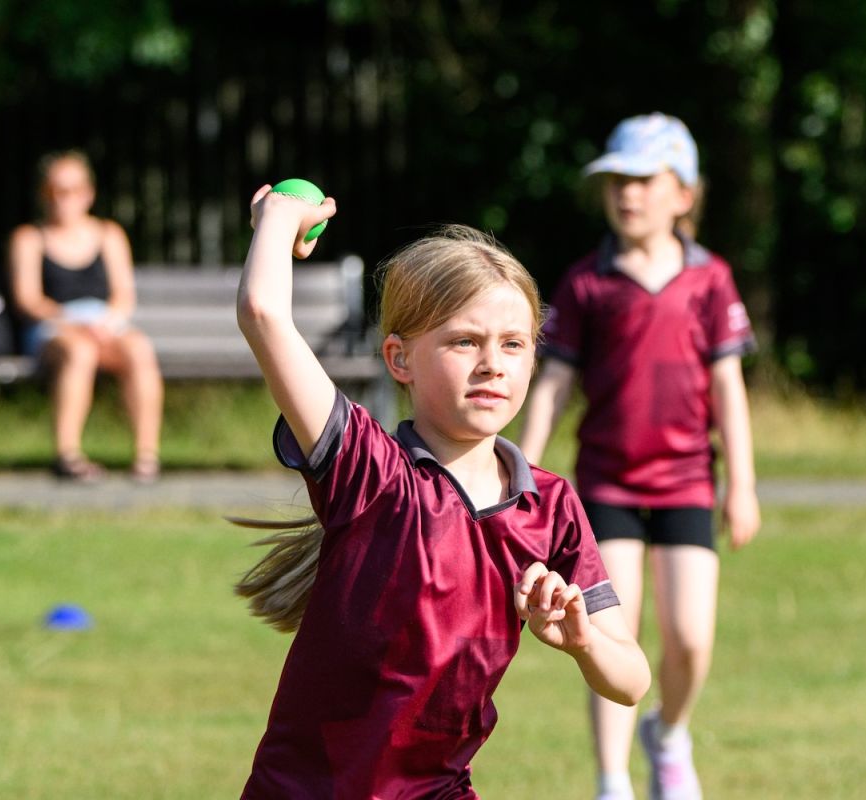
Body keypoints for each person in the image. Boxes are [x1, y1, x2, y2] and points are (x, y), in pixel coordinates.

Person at [231, 184, 652, 798]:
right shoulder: (368, 470)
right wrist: (276, 217)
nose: (492, 364)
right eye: (464, 342)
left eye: (513, 344)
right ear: (399, 359)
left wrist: (583, 640)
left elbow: (632, 680)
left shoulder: (551, 505)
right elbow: (263, 312)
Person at [518, 113, 761, 800]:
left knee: (689, 638)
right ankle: (611, 781)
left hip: (685, 484)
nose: (627, 195)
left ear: (683, 194)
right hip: (606, 487)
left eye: (644, 180)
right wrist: (522, 478)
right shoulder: (585, 283)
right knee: (607, 633)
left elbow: (728, 388)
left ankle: (670, 735)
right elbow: (553, 387)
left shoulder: (710, 280)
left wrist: (741, 485)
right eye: (616, 181)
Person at [8, 150, 163, 482]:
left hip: (104, 325)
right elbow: (29, 299)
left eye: (73, 190)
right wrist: (72, 321)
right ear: (43, 194)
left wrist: (107, 322)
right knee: (79, 350)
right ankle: (68, 454)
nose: (64, 199)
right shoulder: (29, 239)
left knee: (138, 348)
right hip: (53, 327)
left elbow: (123, 295)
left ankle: (146, 456)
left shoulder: (109, 234)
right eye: (56, 191)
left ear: (88, 193)